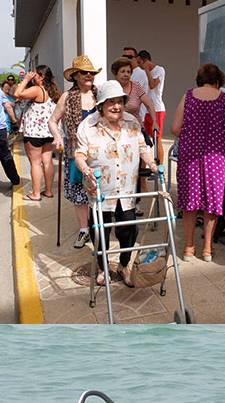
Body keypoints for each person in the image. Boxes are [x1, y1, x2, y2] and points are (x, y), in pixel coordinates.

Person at [75, 80, 159, 286]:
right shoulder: (88, 126)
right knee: (99, 230)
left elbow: (143, 148)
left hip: (127, 188)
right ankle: (103, 268)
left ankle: (124, 264)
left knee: (128, 228)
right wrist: (86, 170)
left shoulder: (131, 122)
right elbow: (79, 155)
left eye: (119, 101)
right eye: (110, 101)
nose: (116, 106)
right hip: (100, 188)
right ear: (101, 104)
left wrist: (153, 164)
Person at [170, 63, 225, 262]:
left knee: (190, 199)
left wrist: (193, 133)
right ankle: (207, 248)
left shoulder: (188, 96)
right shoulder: (224, 99)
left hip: (190, 154)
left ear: (200, 80)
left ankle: (188, 247)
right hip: (216, 156)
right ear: (218, 82)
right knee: (213, 200)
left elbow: (175, 128)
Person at [49, 55, 100, 247]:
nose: (89, 75)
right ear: (75, 76)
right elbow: (53, 120)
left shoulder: (99, 94)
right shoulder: (67, 97)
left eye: (91, 73)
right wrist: (58, 137)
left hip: (99, 150)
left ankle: (98, 227)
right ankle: (84, 230)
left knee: (99, 188)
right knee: (79, 191)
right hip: (75, 150)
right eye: (84, 72)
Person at [112, 56, 158, 217]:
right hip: (115, 133)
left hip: (134, 132)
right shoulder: (111, 88)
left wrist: (154, 123)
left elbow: (150, 105)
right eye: (122, 71)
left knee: (135, 169)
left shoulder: (136, 87)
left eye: (128, 71)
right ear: (115, 73)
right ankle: (114, 202)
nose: (126, 74)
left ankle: (135, 203)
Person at [15, 65, 60, 201]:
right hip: (49, 132)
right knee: (47, 161)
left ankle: (35, 193)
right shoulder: (52, 91)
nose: (32, 76)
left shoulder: (37, 89)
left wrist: (25, 79)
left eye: (34, 74)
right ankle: (48, 191)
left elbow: (17, 93)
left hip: (34, 133)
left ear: (41, 76)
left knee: (35, 163)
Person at [137, 50, 166, 165]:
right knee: (145, 140)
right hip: (146, 110)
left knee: (157, 138)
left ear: (146, 61)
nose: (139, 66)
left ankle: (160, 167)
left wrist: (147, 70)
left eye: (140, 63)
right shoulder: (142, 72)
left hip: (157, 109)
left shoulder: (159, 70)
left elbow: (152, 85)